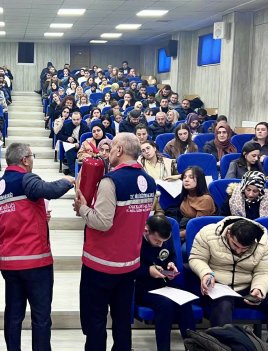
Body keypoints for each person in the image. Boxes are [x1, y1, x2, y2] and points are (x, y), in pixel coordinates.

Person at [72, 132, 156, 351]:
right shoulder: (149, 180)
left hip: (102, 263)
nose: (108, 153)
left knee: (96, 321)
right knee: (121, 322)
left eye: (112, 148)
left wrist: (81, 209)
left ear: (119, 150)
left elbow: (102, 222)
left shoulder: (111, 181)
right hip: (129, 263)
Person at [0, 142, 74, 351]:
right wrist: (68, 180)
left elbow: (11, 216)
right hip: (35, 261)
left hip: (10, 263)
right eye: (32, 156)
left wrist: (38, 215)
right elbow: (49, 190)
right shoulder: (27, 178)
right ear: (25, 159)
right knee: (40, 317)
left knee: (13, 316)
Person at [189, 216, 268, 348]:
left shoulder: (264, 244)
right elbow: (197, 258)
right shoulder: (207, 234)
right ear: (229, 233)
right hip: (218, 286)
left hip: (247, 287)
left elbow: (264, 272)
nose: (238, 251)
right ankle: (223, 348)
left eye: (244, 249)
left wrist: (259, 289)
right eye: (235, 245)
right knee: (222, 306)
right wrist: (206, 273)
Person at [135, 215, 196, 351]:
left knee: (184, 301)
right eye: (157, 241)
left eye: (163, 241)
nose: (160, 244)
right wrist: (147, 271)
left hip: (166, 284)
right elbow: (127, 268)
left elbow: (172, 254)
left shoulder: (164, 238)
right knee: (165, 304)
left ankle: (193, 347)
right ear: (146, 231)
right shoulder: (135, 240)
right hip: (144, 288)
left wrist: (171, 263)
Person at [178, 166, 217, 238]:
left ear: (199, 180)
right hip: (183, 229)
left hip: (197, 234)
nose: (186, 180)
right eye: (184, 177)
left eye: (191, 177)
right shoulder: (186, 195)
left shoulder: (205, 199)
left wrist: (176, 235)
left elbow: (197, 226)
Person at [57, 111, 89, 176]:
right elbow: (58, 135)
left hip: (81, 145)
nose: (76, 121)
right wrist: (67, 138)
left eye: (77, 119)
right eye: (74, 119)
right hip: (70, 145)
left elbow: (88, 139)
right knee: (69, 151)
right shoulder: (66, 125)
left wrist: (80, 144)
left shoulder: (85, 127)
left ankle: (76, 171)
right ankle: (74, 172)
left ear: (81, 119)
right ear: (71, 119)